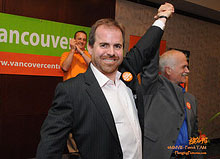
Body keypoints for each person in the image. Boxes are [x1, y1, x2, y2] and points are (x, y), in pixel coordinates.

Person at [36, 3, 174, 159]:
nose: (111, 52)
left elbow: (145, 46)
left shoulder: (126, 70)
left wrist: (162, 17)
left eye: (117, 46)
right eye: (104, 45)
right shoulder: (72, 91)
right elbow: (49, 148)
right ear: (90, 47)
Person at [141, 49, 202, 159]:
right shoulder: (154, 91)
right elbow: (149, 68)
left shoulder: (191, 99)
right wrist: (158, 32)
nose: (187, 71)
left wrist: (198, 156)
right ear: (168, 70)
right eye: (183, 67)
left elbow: (194, 134)